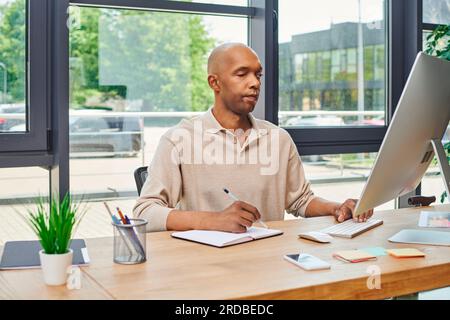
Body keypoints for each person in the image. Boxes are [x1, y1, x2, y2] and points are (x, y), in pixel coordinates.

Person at [133, 43, 373, 233]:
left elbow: (301, 200)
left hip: (269, 260)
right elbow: (144, 212)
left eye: (258, 75)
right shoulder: (179, 139)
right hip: (206, 267)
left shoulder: (278, 138)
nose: (255, 83)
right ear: (214, 82)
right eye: (242, 74)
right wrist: (214, 220)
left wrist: (337, 207)